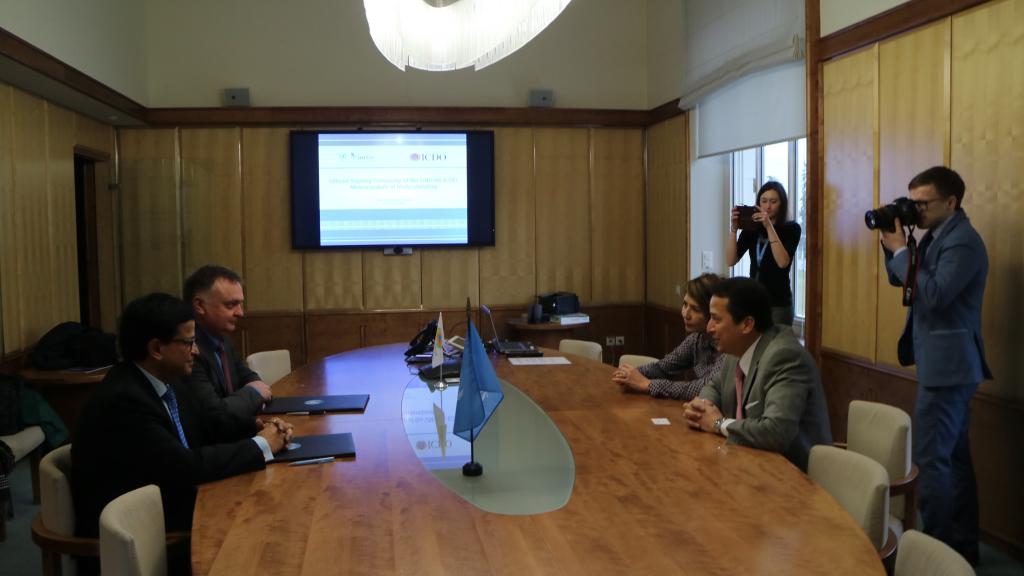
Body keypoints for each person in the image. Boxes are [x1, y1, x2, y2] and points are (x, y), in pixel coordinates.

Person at [71, 293, 292, 544]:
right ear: (156, 348)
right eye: (188, 342)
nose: (196, 351)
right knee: (271, 521)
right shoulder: (124, 401)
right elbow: (183, 467)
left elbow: (205, 425)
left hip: (171, 506)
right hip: (143, 535)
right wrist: (261, 446)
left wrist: (257, 428)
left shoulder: (163, 380)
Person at [879, 166, 989, 564]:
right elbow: (905, 283)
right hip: (944, 365)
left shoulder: (963, 243)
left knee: (932, 461)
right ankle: (962, 552)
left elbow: (936, 295)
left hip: (950, 368)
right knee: (955, 460)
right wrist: (893, 245)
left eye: (922, 203)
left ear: (951, 202)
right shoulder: (934, 235)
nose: (916, 210)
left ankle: (936, 556)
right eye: (913, 202)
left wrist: (903, 252)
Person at [684, 277, 830, 471]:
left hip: (793, 476)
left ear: (746, 325)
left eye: (717, 319)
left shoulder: (785, 357)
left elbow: (777, 431)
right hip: (748, 464)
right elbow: (715, 387)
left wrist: (718, 423)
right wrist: (702, 408)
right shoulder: (737, 349)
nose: (709, 327)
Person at [182, 265, 272, 425]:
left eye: (240, 304)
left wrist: (256, 386)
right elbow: (215, 414)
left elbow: (245, 374)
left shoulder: (222, 338)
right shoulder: (187, 350)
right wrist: (254, 393)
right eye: (231, 305)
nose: (240, 313)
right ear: (199, 306)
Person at [612, 273, 722, 401]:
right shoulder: (696, 338)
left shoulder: (729, 346)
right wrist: (630, 375)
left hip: (722, 419)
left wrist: (649, 385)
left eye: (695, 309)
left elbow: (703, 388)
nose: (685, 314)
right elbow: (663, 367)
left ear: (713, 313)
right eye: (685, 305)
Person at [727, 181, 801, 326]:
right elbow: (730, 260)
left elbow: (782, 262)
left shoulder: (791, 228)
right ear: (758, 203)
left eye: (773, 201)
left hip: (779, 304)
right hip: (754, 300)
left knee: (776, 346)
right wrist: (734, 230)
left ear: (782, 204)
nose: (768, 206)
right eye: (764, 201)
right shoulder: (751, 228)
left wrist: (768, 226)